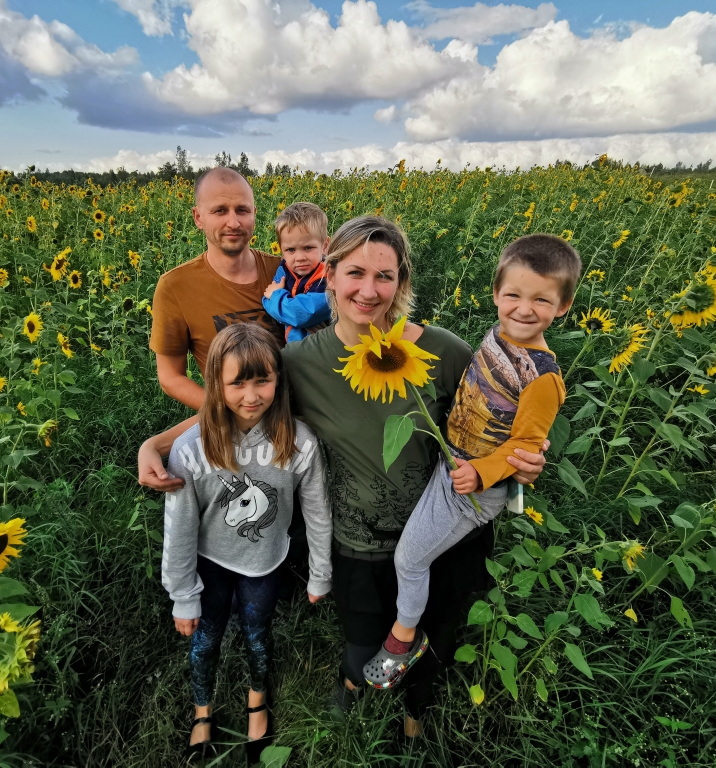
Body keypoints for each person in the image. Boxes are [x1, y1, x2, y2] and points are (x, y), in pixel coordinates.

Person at [138, 215, 550, 744]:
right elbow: (240, 403)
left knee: (436, 635)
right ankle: (355, 682)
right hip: (358, 540)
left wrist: (525, 461)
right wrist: (157, 444)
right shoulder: (302, 363)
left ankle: (413, 716)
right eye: (355, 272)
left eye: (386, 276)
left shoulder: (446, 353)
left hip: (444, 533)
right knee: (361, 642)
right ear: (329, 275)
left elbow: (502, 418)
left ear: (402, 283)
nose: (369, 290)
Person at [362, 233, 579, 689]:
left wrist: (482, 472)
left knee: (409, 559)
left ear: (563, 305)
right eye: (514, 295)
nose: (524, 308)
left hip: (474, 490)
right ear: (497, 294)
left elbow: (525, 448)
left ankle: (405, 639)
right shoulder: (498, 335)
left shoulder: (542, 379)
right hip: (455, 465)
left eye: (541, 299)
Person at [161, 323, 332, 764]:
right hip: (209, 564)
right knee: (206, 639)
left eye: (263, 380)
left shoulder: (299, 443)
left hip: (265, 563)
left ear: (279, 378)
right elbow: (179, 526)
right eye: (237, 382)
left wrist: (320, 572)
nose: (251, 395)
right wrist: (182, 596)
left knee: (258, 636)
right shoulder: (191, 448)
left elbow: (317, 512)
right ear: (216, 383)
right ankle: (203, 711)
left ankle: (258, 698)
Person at [151, 166, 282, 411]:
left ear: (254, 213)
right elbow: (170, 377)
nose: (233, 222)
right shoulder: (176, 287)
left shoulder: (284, 272)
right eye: (220, 211)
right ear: (198, 217)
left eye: (242, 210)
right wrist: (223, 414)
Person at [262, 202, 332, 343]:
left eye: (308, 248)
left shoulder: (330, 278)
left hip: (320, 351)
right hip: (292, 349)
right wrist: (285, 307)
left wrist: (277, 296)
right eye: (291, 250)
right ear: (281, 250)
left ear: (324, 246)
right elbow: (265, 300)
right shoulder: (284, 270)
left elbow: (303, 314)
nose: (299, 258)